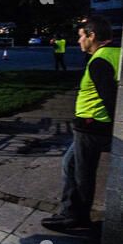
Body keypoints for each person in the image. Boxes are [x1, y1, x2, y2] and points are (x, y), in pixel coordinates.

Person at [41, 16, 121, 231]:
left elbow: (110, 98)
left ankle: (77, 217)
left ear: (92, 36)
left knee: (82, 173)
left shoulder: (100, 61)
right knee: (71, 165)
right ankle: (70, 212)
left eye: (81, 36)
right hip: (92, 126)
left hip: (91, 125)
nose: (79, 41)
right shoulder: (116, 53)